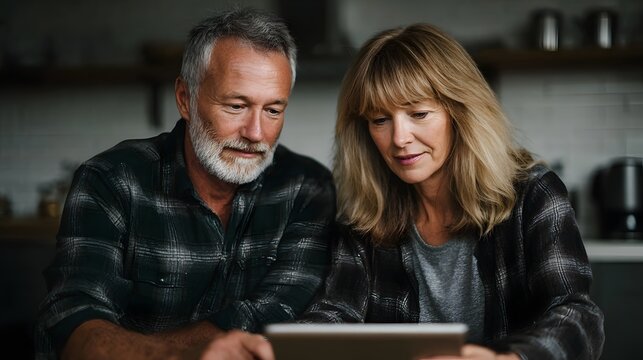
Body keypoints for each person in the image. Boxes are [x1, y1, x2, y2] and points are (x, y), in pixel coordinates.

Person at [34, 8, 336, 360]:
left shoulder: (306, 188)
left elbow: (276, 312)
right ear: (185, 99)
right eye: (236, 106)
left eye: (273, 110)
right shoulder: (111, 181)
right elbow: (74, 322)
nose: (256, 133)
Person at [299, 23, 604, 359]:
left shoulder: (533, 194)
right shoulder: (366, 213)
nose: (399, 138)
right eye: (380, 120)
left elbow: (576, 314)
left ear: (460, 112)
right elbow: (336, 313)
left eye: (419, 113)